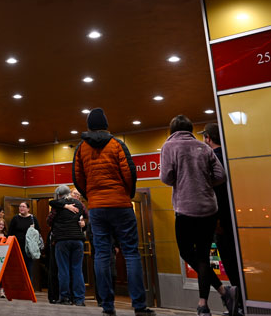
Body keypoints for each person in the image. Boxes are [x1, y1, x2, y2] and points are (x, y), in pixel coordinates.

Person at [72, 107, 153, 316]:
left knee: (101, 255)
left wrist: (91, 195)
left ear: (88, 126)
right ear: (106, 125)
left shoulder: (81, 148)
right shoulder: (117, 144)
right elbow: (129, 172)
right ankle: (139, 306)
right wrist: (126, 194)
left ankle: (107, 307)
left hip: (97, 208)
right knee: (131, 253)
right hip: (120, 204)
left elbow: (77, 178)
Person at [161, 116, 237, 316]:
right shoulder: (203, 148)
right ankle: (206, 302)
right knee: (203, 256)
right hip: (209, 209)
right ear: (190, 129)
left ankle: (219, 293)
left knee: (187, 253)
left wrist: (186, 182)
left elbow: (166, 178)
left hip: (185, 208)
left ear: (172, 131)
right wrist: (203, 183)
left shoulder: (170, 147)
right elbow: (221, 176)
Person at [202, 122, 242, 313]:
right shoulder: (231, 155)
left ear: (208, 138)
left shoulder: (211, 160)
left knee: (230, 261)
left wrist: (216, 219)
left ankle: (238, 303)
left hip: (221, 218)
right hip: (238, 215)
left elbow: (214, 191)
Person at [50, 184, 86, 306]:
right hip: (78, 240)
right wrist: (82, 222)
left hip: (62, 240)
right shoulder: (79, 204)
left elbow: (49, 220)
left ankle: (65, 297)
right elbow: (86, 215)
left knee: (63, 269)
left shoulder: (57, 206)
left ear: (59, 194)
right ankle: (79, 299)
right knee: (77, 269)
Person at [8, 202, 40, 275]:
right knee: (18, 268)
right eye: (20, 206)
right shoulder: (15, 218)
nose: (21, 208)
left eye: (23, 206)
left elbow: (38, 232)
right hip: (18, 246)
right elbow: (10, 233)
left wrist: (33, 229)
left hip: (29, 247)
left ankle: (29, 285)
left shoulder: (33, 218)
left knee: (28, 268)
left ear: (28, 209)